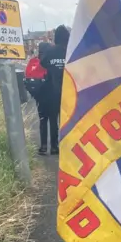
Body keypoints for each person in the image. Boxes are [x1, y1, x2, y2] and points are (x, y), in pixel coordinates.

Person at [40, 25, 70, 155]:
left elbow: (42, 63)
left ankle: (53, 147)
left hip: (52, 91)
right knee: (67, 120)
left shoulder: (50, 51)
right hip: (67, 92)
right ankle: (68, 146)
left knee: (53, 120)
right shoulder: (69, 52)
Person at [24, 41, 52, 155]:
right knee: (55, 121)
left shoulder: (33, 61)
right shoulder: (48, 61)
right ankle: (56, 146)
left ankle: (44, 146)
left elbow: (27, 75)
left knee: (43, 120)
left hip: (39, 96)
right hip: (52, 94)